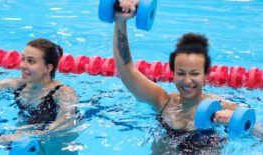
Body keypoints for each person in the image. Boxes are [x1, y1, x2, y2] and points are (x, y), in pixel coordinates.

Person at [112, 0, 263, 154]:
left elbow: (259, 132)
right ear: (173, 73)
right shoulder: (163, 101)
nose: (187, 81)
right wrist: (120, 21)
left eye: (195, 73)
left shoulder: (222, 107)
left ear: (205, 75)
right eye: (181, 73)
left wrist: (235, 120)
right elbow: (127, 72)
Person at [0, 38, 80, 154]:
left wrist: (25, 135)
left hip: (58, 144)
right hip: (30, 134)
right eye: (23, 59)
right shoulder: (15, 85)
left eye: (31, 61)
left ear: (48, 68)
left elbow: (65, 124)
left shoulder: (63, 93)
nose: (23, 65)